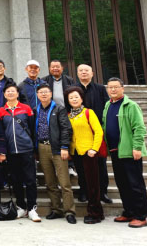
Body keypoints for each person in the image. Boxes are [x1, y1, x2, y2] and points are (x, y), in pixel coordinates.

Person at [103, 78, 147, 228]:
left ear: (122, 88)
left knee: (135, 184)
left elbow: (139, 128)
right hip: (115, 151)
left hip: (129, 151)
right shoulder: (108, 105)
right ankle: (129, 212)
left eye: (116, 87)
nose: (113, 90)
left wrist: (137, 147)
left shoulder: (131, 105)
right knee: (122, 184)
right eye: (110, 87)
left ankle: (140, 216)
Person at [0, 82, 40, 222]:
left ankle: (32, 208)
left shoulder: (26, 108)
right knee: (16, 180)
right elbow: (0, 132)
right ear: (4, 94)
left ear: (17, 93)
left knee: (30, 180)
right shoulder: (1, 111)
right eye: (8, 91)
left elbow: (33, 128)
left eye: (13, 91)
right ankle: (21, 207)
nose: (10, 93)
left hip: (26, 149)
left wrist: (34, 147)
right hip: (11, 151)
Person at [34, 85, 75, 224]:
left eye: (46, 92)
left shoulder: (59, 109)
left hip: (57, 148)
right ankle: (56, 209)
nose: (44, 94)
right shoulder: (36, 109)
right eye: (41, 92)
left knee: (64, 183)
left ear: (51, 94)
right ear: (37, 95)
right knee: (50, 182)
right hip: (42, 147)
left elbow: (66, 128)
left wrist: (64, 146)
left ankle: (69, 211)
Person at [65, 86, 105, 224]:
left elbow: (98, 131)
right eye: (71, 98)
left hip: (89, 153)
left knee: (93, 184)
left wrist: (94, 149)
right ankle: (94, 211)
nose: (74, 99)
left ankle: (96, 213)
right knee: (84, 182)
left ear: (81, 98)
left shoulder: (89, 112)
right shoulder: (69, 115)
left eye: (76, 97)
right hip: (76, 153)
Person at [76, 64, 112, 204]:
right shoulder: (73, 89)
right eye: (81, 70)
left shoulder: (100, 89)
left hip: (97, 131)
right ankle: (84, 191)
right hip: (80, 132)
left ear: (92, 73)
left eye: (86, 70)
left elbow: (107, 107)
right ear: (77, 74)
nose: (84, 72)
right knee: (81, 165)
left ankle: (103, 192)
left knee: (101, 164)